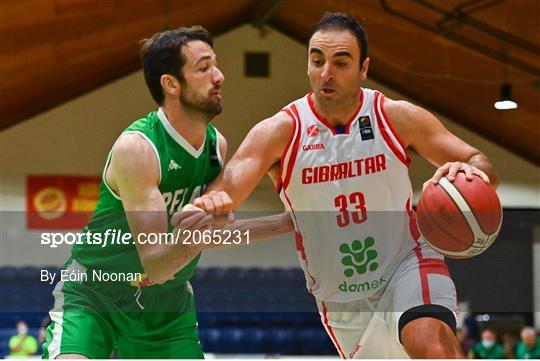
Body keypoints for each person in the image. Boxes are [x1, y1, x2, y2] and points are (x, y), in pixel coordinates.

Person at [185, 12, 499, 359]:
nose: (326, 73)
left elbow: (479, 163)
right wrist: (208, 205)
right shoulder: (280, 132)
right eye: (317, 60)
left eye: (341, 62)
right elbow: (225, 191)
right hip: (340, 296)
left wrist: (468, 170)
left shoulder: (395, 117)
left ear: (364, 68)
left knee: (431, 343)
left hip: (406, 262)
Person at [42, 26, 289, 359]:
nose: (219, 76)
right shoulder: (138, 149)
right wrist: (199, 231)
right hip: (96, 293)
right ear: (171, 84)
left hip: (166, 304)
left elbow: (212, 235)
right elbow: (157, 264)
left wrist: (291, 222)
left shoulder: (216, 147)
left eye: (215, 65)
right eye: (204, 68)